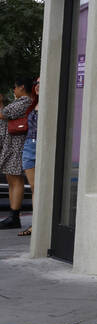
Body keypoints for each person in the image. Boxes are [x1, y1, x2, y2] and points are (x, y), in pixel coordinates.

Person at [0, 76, 36, 230]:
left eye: (15, 87)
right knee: (11, 180)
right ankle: (12, 215)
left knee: (16, 181)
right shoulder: (22, 101)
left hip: (17, 145)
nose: (13, 91)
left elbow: (4, 114)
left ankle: (14, 216)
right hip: (11, 145)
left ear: (22, 87)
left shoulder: (25, 101)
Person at [18, 78, 38, 237]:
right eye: (36, 83)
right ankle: (35, 223)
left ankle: (38, 223)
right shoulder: (33, 104)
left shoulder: (51, 103)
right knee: (34, 188)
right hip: (29, 147)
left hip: (42, 146)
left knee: (39, 188)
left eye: (42, 83)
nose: (38, 86)